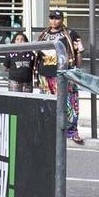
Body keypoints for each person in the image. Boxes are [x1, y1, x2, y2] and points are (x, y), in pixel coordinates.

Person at [39, 12, 84, 143]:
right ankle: (50, 132)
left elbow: (78, 55)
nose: (54, 21)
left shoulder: (71, 34)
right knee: (48, 104)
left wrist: (77, 65)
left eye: (57, 18)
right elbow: (37, 56)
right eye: (51, 18)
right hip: (45, 76)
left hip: (64, 75)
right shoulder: (43, 35)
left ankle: (72, 131)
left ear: (62, 19)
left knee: (70, 103)